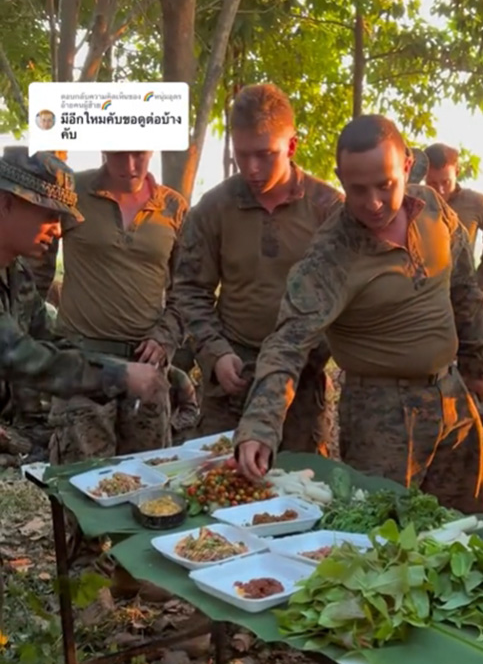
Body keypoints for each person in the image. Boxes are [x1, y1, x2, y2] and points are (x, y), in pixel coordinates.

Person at [235, 114, 483, 516]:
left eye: (385, 185)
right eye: (357, 190)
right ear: (340, 179)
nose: (372, 202)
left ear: (406, 166)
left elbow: (464, 288)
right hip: (382, 416)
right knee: (383, 536)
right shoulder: (331, 255)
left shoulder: (433, 210)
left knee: (469, 531)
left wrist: (477, 366)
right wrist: (259, 428)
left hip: (453, 400)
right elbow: (287, 343)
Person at [172, 83, 342, 452]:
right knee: (218, 476)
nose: (251, 168)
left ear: (291, 146)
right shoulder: (214, 208)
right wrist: (216, 353)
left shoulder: (329, 209)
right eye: (242, 155)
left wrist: (313, 354)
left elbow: (348, 298)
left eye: (265, 155)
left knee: (300, 482)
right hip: (232, 377)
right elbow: (189, 290)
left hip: (301, 381)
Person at [0, 149, 163, 443]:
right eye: (50, 215)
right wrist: (119, 376)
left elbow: (51, 341)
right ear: (5, 203)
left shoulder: (16, 273)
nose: (58, 230)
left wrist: (125, 367)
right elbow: (19, 356)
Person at [39, 150, 187, 462]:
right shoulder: (72, 193)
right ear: (104, 148)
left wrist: (166, 337)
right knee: (81, 478)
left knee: (147, 477)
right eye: (119, 154)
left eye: (139, 154)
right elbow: (35, 268)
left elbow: (188, 290)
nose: (130, 166)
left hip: (145, 369)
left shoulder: (174, 207)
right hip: (82, 366)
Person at [424, 142, 483, 297]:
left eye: (446, 182)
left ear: (457, 172)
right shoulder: (412, 204)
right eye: (432, 183)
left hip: (462, 295)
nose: (440, 190)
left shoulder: (477, 203)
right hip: (423, 294)